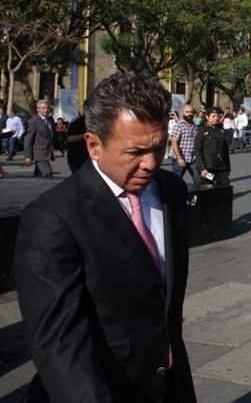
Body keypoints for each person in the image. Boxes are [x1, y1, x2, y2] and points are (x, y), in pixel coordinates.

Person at [14, 72, 197, 403]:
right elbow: (60, 344)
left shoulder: (172, 191)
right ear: (93, 145)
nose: (151, 164)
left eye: (158, 148)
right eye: (135, 152)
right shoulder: (53, 219)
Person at [195, 106, 231, 186]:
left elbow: (225, 150)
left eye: (217, 116)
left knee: (225, 187)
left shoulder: (220, 130)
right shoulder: (201, 130)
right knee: (208, 189)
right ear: (207, 117)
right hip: (208, 168)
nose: (216, 118)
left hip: (221, 168)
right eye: (213, 116)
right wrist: (202, 168)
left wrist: (228, 168)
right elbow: (198, 150)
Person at [170, 105, 200, 187]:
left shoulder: (194, 126)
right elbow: (174, 142)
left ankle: (196, 198)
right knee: (176, 182)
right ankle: (175, 198)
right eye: (187, 112)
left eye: (191, 112)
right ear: (183, 113)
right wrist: (179, 158)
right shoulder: (179, 125)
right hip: (180, 158)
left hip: (193, 158)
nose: (190, 114)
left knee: (198, 180)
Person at [23, 99, 55, 178]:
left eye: (47, 108)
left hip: (47, 151)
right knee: (48, 174)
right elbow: (28, 139)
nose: (46, 110)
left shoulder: (50, 120)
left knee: (39, 177)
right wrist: (28, 156)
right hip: (39, 152)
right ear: (38, 109)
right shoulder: (34, 121)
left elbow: (51, 136)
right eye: (43, 108)